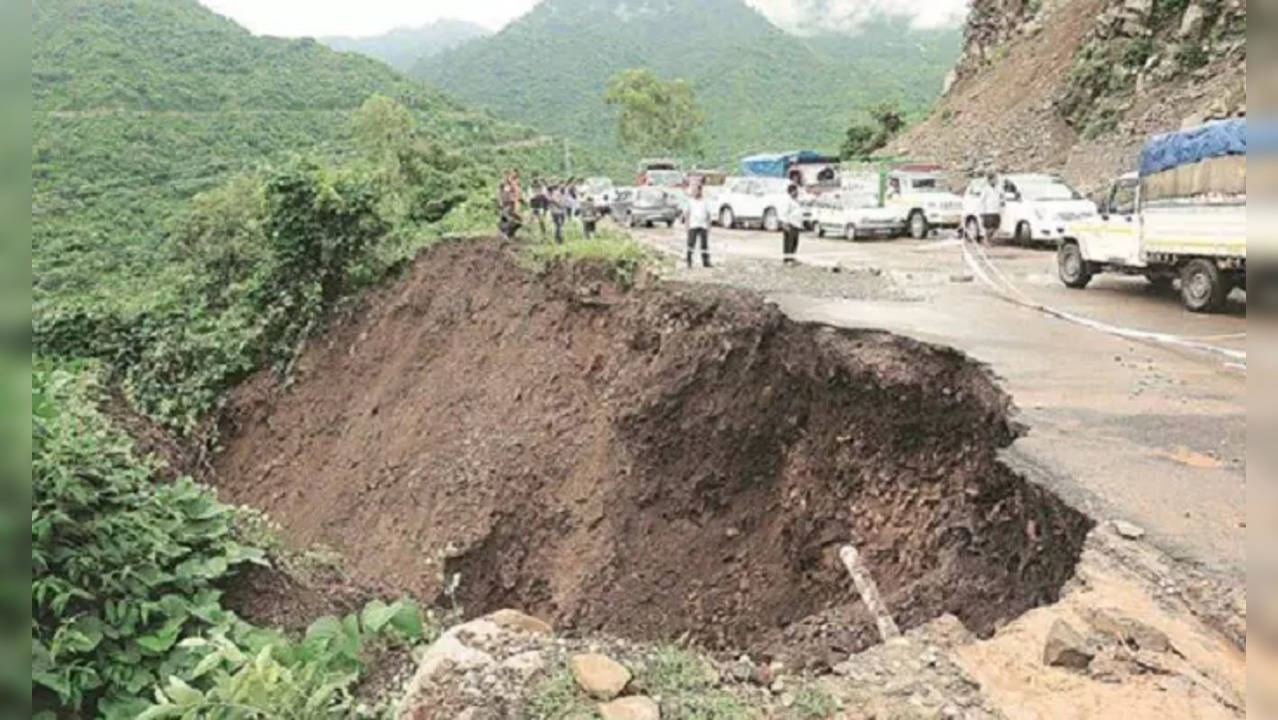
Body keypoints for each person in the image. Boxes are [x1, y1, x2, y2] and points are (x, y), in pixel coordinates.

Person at [682, 181, 712, 268]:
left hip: (703, 225)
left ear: (700, 191)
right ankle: (689, 261)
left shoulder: (705, 201)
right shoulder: (690, 201)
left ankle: (706, 262)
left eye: (696, 191)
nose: (694, 192)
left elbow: (708, 215)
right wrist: (686, 226)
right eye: (693, 191)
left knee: (704, 245)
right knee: (691, 243)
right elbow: (687, 214)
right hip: (693, 225)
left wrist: (709, 226)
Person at [781, 183, 805, 265]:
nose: (797, 193)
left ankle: (792, 258)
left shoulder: (795, 200)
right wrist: (785, 224)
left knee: (795, 242)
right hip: (790, 224)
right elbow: (784, 213)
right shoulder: (787, 201)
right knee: (789, 243)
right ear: (792, 191)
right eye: (795, 191)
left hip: (796, 224)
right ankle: (787, 260)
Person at [978, 172, 1002, 244]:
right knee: (989, 228)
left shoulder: (998, 188)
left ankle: (988, 239)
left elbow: (1000, 198)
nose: (996, 180)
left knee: (996, 228)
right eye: (995, 179)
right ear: (990, 180)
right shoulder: (986, 189)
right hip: (988, 211)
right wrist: (982, 212)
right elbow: (981, 201)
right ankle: (986, 240)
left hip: (996, 211)